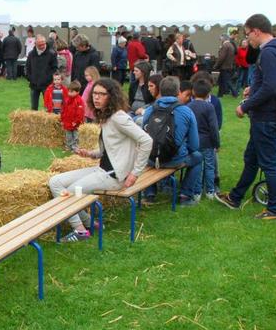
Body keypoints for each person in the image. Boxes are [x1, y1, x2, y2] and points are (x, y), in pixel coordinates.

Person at [49, 78, 152, 242]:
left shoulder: (119, 117)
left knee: (70, 192)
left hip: (114, 176)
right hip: (102, 170)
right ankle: (90, 223)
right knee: (55, 182)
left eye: (101, 94)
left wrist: (135, 173)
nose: (96, 98)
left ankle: (81, 231)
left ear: (111, 96)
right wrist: (92, 154)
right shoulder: (106, 116)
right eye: (94, 94)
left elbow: (146, 141)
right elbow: (111, 147)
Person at [216, 14, 276, 220]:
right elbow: (270, 82)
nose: (247, 38)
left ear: (257, 31)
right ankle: (235, 197)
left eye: (248, 33)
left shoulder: (268, 52)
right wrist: (253, 88)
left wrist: (246, 106)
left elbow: (270, 87)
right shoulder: (275, 50)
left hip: (266, 116)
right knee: (251, 158)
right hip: (266, 114)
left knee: (268, 163)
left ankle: (275, 209)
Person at [142, 76, 201, 206]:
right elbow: (195, 145)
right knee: (197, 157)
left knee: (148, 154)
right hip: (175, 160)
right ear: (178, 91)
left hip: (151, 159)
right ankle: (185, 195)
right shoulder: (186, 111)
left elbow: (143, 137)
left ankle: (150, 194)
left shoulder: (149, 110)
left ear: (160, 91)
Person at [187, 79, 219, 200]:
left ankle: (196, 192)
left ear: (193, 92)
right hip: (208, 142)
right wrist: (217, 143)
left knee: (197, 167)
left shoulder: (189, 106)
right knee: (210, 167)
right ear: (208, 94)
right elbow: (214, 127)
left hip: (193, 142)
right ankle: (210, 191)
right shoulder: (209, 107)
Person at [26, 34, 58, 110]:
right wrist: (29, 78)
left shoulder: (51, 53)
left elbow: (55, 68)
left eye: (43, 44)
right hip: (34, 84)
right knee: (33, 107)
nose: (42, 46)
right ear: (35, 44)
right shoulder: (31, 54)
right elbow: (27, 67)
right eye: (40, 45)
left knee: (48, 106)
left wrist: (48, 79)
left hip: (46, 85)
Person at [61, 80, 85, 151]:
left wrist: (76, 121)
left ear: (77, 92)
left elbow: (80, 113)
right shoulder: (67, 99)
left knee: (76, 135)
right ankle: (69, 146)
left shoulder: (79, 101)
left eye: (71, 92)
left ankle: (75, 147)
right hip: (67, 121)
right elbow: (64, 110)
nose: (69, 93)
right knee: (68, 135)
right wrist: (62, 119)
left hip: (75, 123)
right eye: (69, 91)